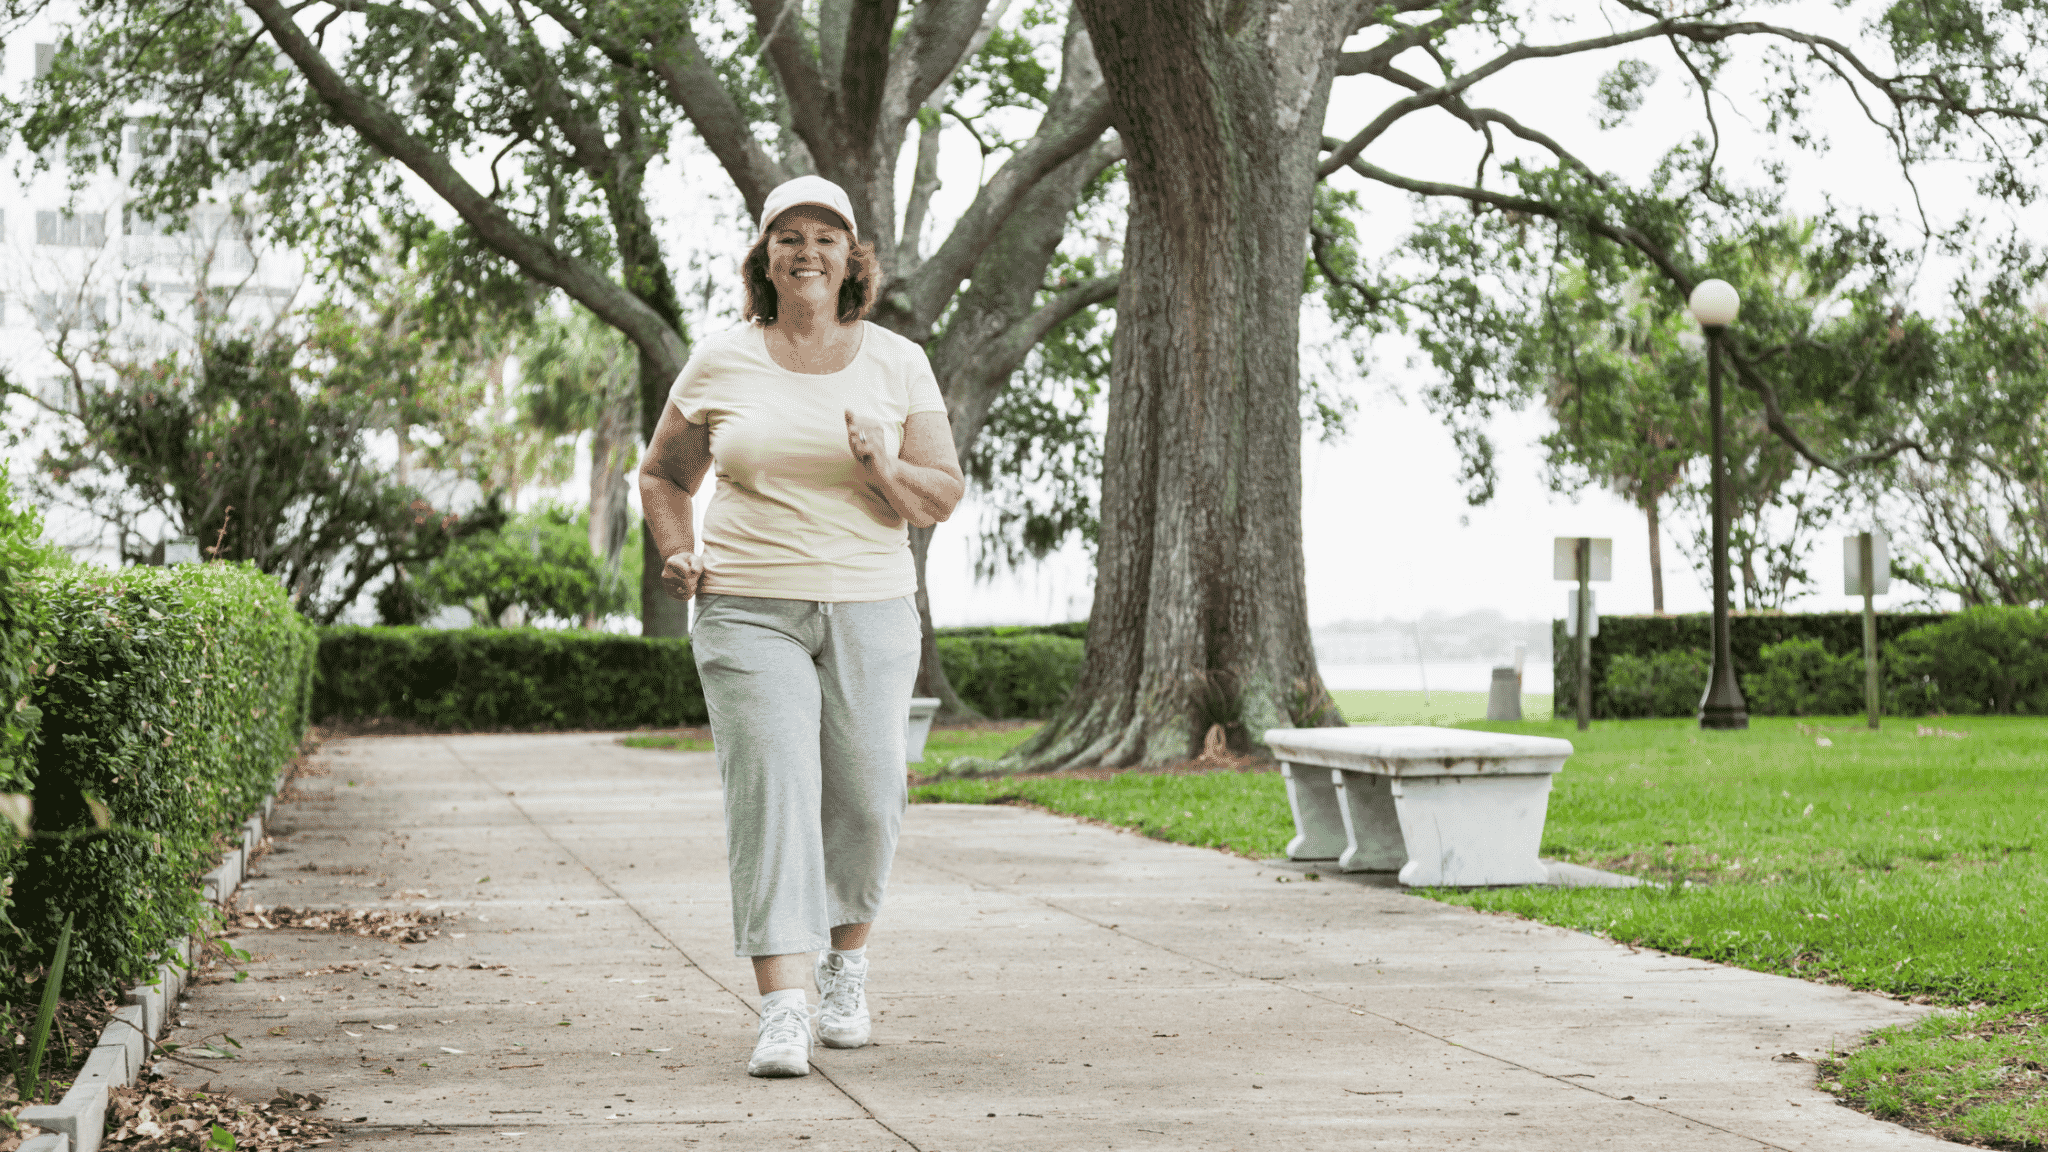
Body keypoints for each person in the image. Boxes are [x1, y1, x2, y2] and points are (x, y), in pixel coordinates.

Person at [636, 175, 965, 1079]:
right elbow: (663, 475)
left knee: (866, 796)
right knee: (773, 793)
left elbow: (939, 496)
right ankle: (782, 1008)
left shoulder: (897, 362)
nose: (807, 250)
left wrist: (884, 464)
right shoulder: (720, 360)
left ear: (853, 259)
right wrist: (678, 550)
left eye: (825, 236)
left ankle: (843, 967)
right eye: (788, 236)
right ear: (764, 257)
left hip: (871, 605)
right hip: (746, 606)